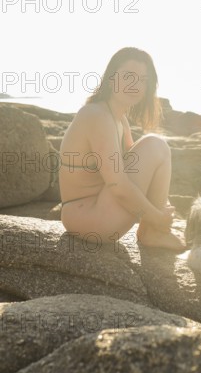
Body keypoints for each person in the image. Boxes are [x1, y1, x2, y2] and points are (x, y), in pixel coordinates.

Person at [59, 47, 186, 252]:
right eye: (129, 76)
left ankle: (152, 231)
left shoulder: (118, 118)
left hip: (98, 209)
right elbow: (118, 184)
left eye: (143, 80)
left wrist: (161, 208)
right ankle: (153, 231)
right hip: (89, 217)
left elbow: (144, 171)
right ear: (111, 78)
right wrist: (156, 217)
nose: (136, 85)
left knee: (156, 146)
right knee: (156, 144)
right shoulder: (96, 116)